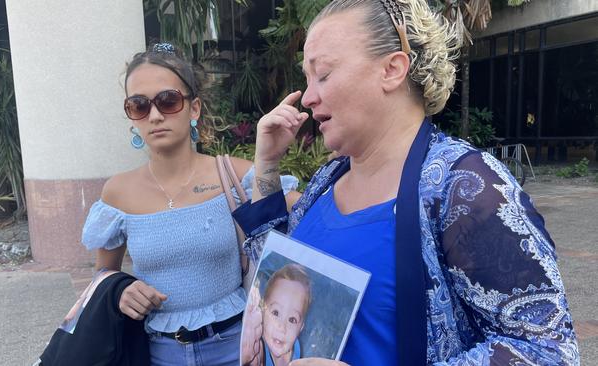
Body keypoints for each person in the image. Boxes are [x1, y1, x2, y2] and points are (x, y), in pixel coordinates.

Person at [234, 1, 579, 365]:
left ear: (392, 70)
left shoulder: (465, 187)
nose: (308, 96)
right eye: (307, 78)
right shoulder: (326, 181)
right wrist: (267, 165)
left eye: (323, 74)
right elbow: (275, 279)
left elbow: (547, 351)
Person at [80, 43, 299, 366]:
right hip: (158, 353)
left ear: (194, 108)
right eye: (139, 105)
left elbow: (307, 215)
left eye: (168, 101)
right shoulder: (118, 193)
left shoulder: (235, 175)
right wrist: (121, 292)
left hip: (238, 348)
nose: (155, 115)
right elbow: (104, 274)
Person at [243, 264, 312, 366]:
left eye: (292, 319)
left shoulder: (296, 346)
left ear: (301, 327)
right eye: (276, 313)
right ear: (262, 311)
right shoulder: (258, 351)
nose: (282, 327)